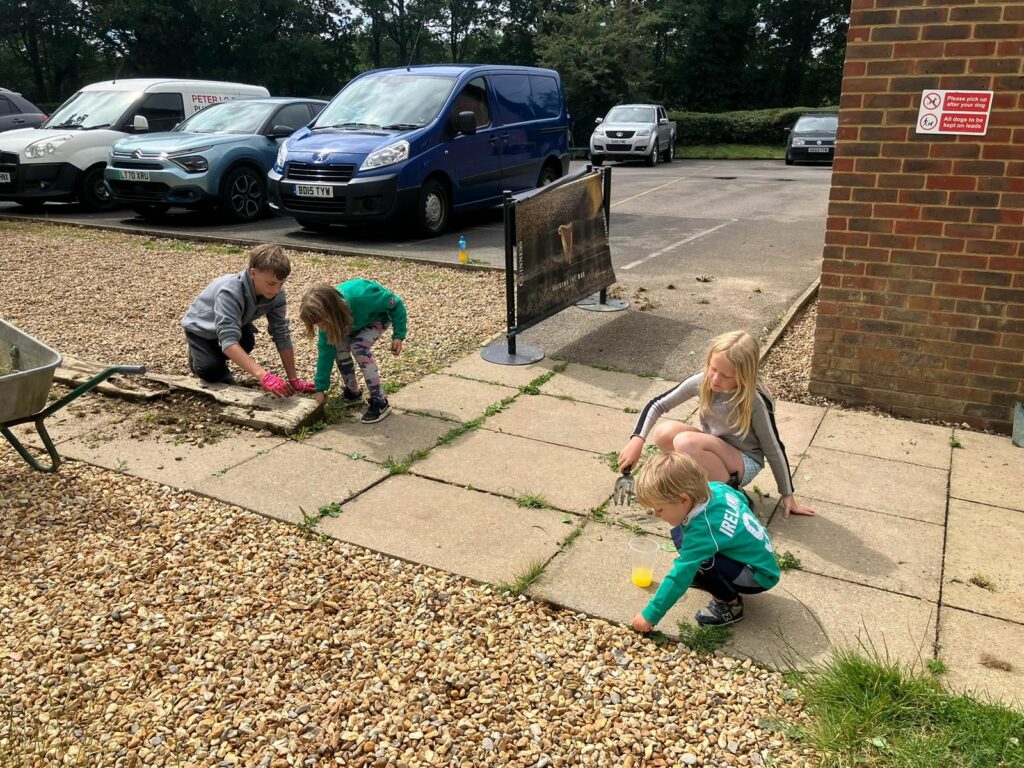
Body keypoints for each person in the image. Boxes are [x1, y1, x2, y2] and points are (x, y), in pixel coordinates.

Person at [617, 330, 814, 519]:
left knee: (686, 442)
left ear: (744, 375)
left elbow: (773, 447)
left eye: (726, 375)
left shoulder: (755, 399)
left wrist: (787, 494)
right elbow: (657, 404)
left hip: (744, 462)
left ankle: (734, 497)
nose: (715, 378)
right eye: (713, 368)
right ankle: (696, 487)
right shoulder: (703, 381)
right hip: (714, 447)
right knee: (663, 433)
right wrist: (637, 440)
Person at [631, 452, 781, 631]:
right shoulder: (716, 488)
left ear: (684, 500)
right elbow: (742, 500)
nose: (656, 515)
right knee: (682, 537)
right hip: (760, 561)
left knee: (699, 561)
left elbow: (680, 575)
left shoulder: (703, 532)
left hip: (758, 577)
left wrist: (649, 616)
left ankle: (730, 604)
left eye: (660, 509)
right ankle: (716, 579)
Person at [181, 244, 314, 397]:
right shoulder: (229, 292)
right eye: (271, 283)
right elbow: (229, 340)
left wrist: (293, 379)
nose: (276, 290)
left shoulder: (277, 294)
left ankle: (214, 355)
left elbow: (281, 333)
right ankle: (201, 358)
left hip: (236, 323)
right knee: (210, 369)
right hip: (201, 329)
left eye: (281, 283)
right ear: (253, 273)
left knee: (247, 342)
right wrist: (263, 375)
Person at [299, 280, 407, 424]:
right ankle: (353, 393)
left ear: (332, 312)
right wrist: (320, 389)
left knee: (358, 347)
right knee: (338, 347)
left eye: (322, 323)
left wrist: (398, 335)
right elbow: (325, 352)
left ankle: (380, 402)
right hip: (352, 321)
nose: (321, 327)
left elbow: (396, 304)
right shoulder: (327, 319)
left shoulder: (362, 298)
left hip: (378, 316)